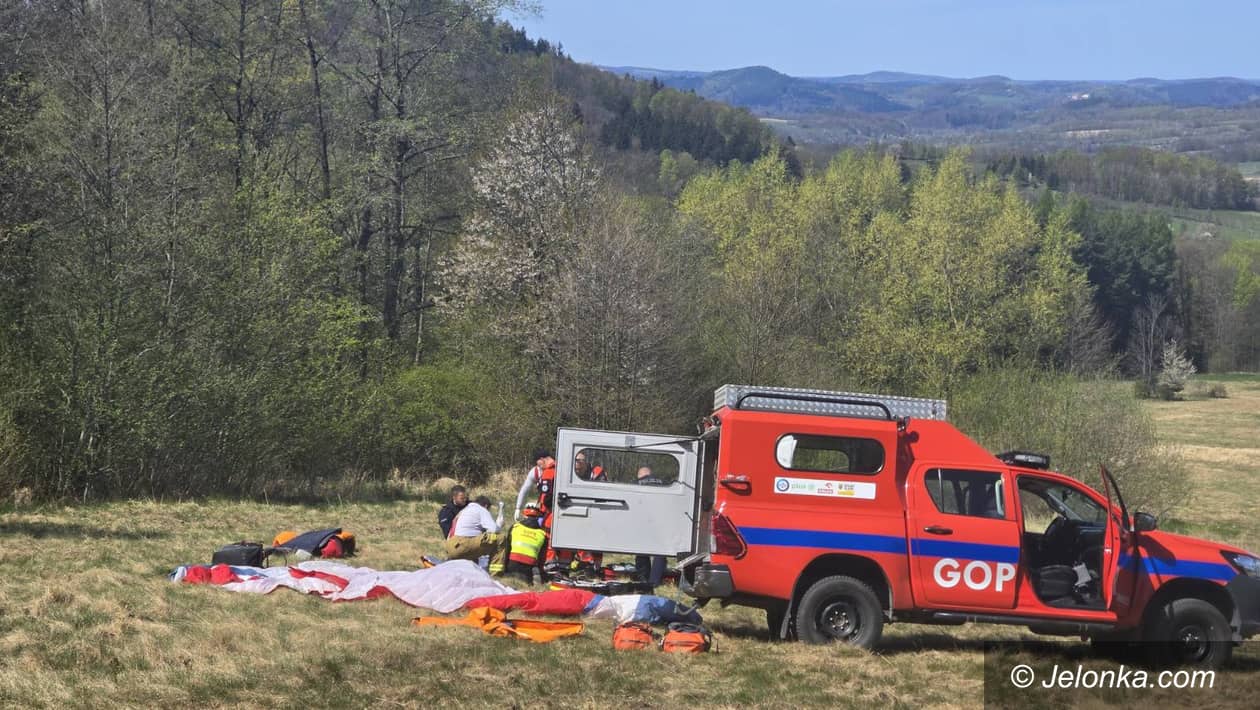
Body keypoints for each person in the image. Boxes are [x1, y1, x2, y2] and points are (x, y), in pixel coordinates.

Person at [445, 495, 506, 574]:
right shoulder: (481, 510)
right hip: (462, 544)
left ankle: (471, 572)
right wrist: (499, 525)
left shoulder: (465, 510)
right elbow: (494, 530)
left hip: (451, 545)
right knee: (500, 538)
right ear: (486, 506)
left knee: (476, 547)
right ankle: (496, 574)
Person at [634, 466, 668, 586]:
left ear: (640, 475)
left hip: (643, 520)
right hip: (661, 520)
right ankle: (655, 581)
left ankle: (643, 578)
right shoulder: (663, 483)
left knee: (642, 550)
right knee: (660, 553)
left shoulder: (636, 483)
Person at [504, 505, 549, 584]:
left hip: (512, 564)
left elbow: (507, 550)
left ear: (524, 515)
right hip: (529, 568)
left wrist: (504, 568)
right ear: (538, 517)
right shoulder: (542, 534)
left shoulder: (515, 527)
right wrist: (541, 573)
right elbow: (542, 558)